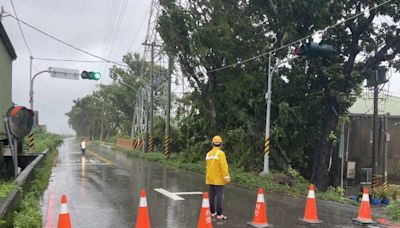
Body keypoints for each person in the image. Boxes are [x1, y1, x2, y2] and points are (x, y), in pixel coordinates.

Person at [205, 135, 230, 220]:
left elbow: (208, 166)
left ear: (212, 143)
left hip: (210, 178)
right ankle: (219, 214)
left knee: (212, 197)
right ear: (221, 144)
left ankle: (212, 212)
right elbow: (224, 167)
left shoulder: (208, 154)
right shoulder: (220, 153)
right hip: (219, 179)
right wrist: (226, 178)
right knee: (219, 197)